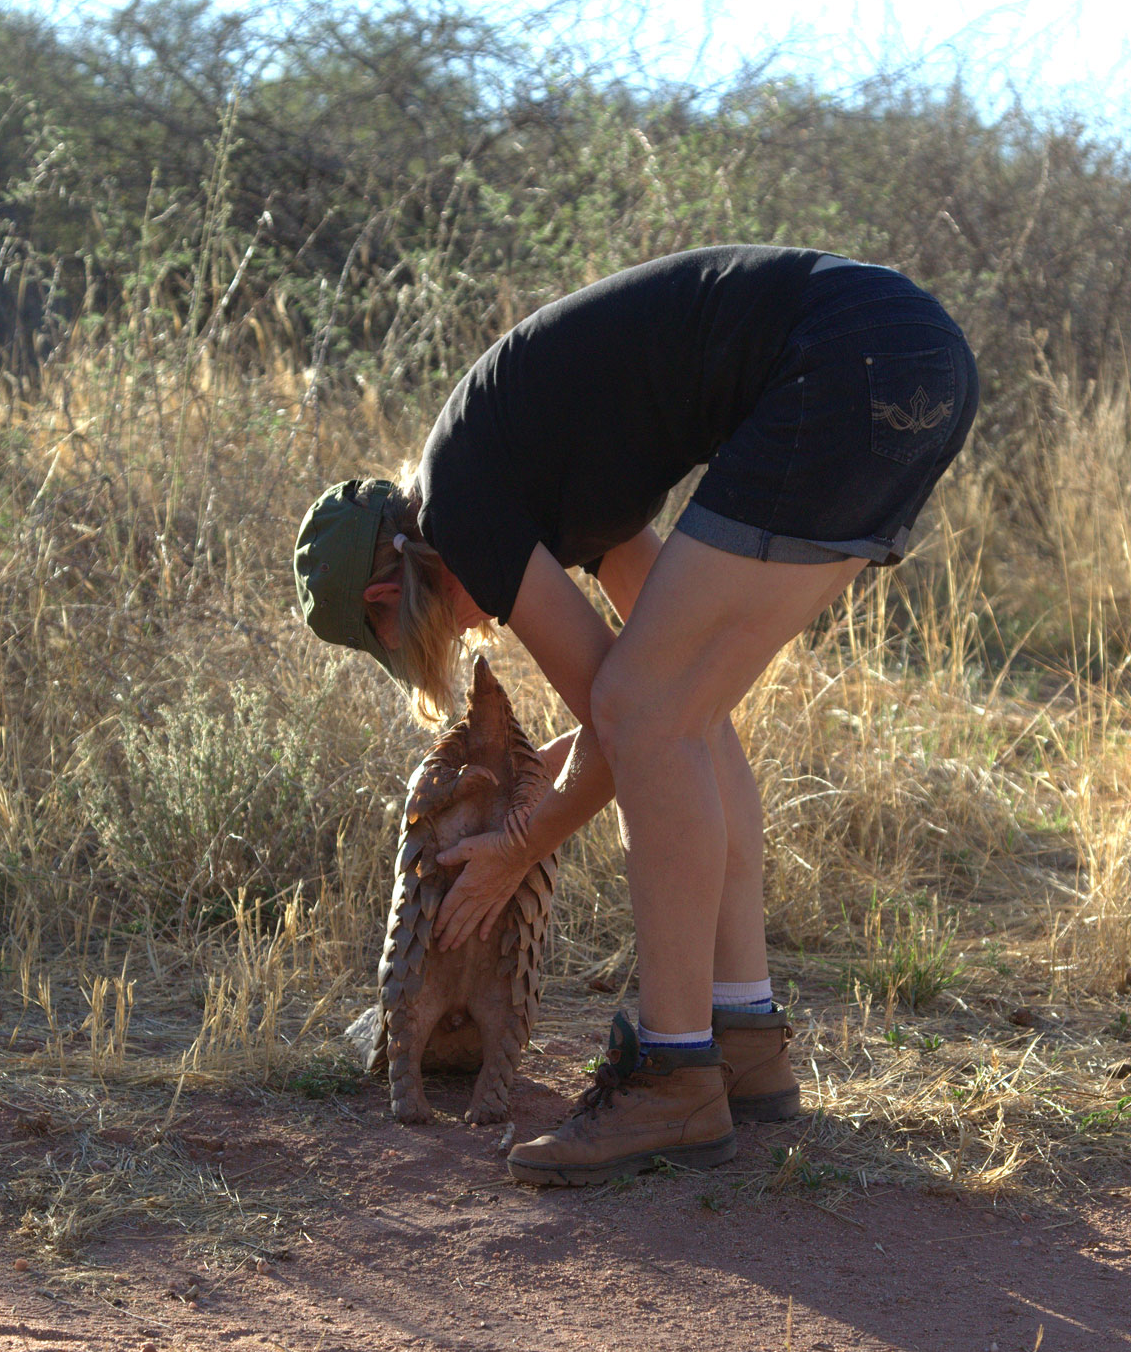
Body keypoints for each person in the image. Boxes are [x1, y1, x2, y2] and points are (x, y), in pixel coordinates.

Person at [294, 245, 978, 1186]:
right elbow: (637, 721)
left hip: (844, 363)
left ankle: (672, 1071)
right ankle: (742, 1038)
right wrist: (558, 788)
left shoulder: (461, 502)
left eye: (410, 634)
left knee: (655, 711)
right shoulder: (520, 456)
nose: (456, 635)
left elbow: (623, 723)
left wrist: (515, 848)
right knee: (680, 711)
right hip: (918, 359)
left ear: (386, 591)